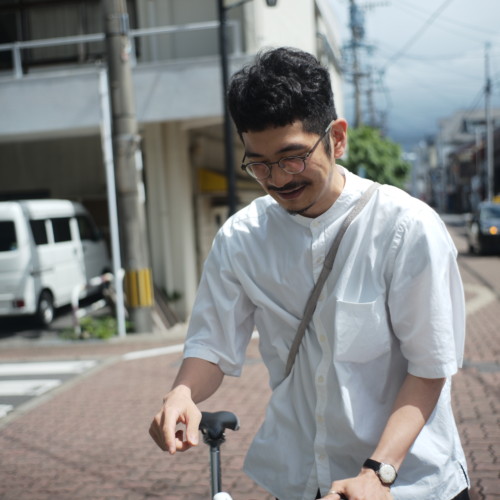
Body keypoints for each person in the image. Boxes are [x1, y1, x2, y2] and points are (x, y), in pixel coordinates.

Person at [149, 47, 470, 500]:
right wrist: (182, 393)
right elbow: (212, 346)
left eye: (293, 157)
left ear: (336, 138)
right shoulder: (242, 237)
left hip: (408, 482)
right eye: (258, 164)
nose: (278, 178)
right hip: (302, 481)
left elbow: (430, 366)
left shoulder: (405, 227)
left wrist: (379, 472)